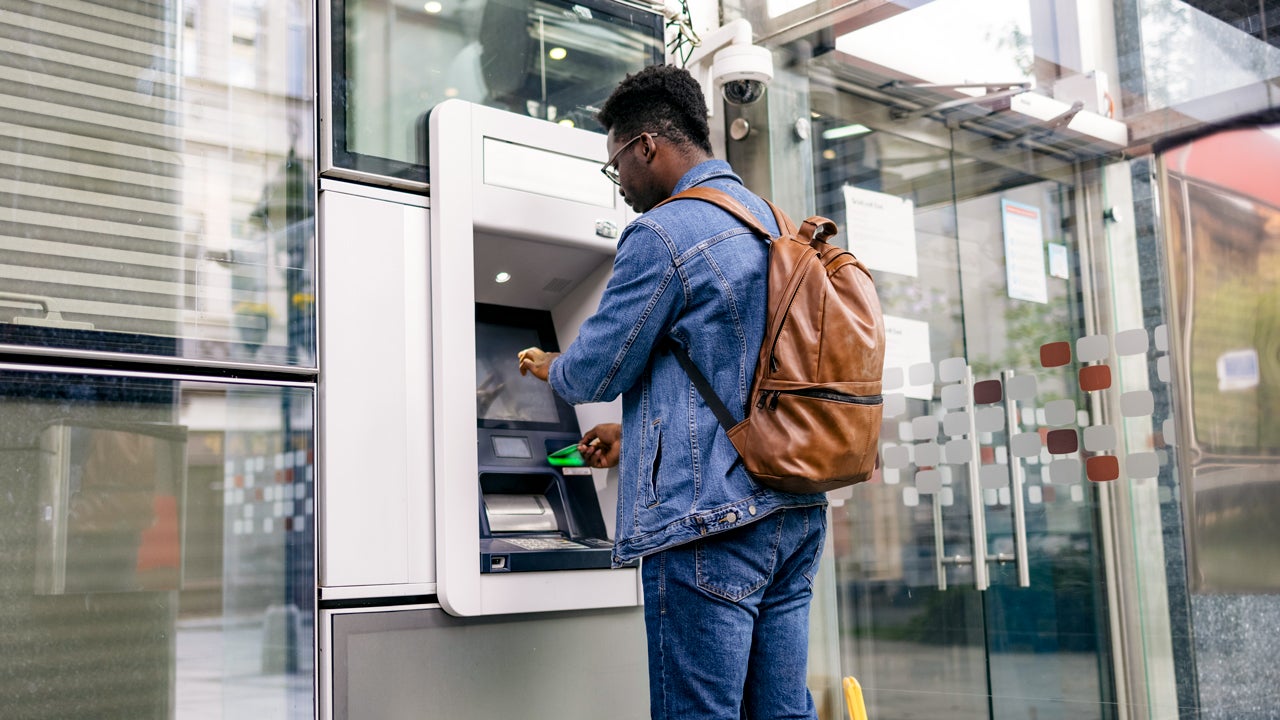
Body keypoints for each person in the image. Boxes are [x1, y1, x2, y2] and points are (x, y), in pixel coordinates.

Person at [516, 64, 828, 720]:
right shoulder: (774, 224)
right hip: (794, 512)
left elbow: (592, 374)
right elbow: (741, 380)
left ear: (646, 147)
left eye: (616, 166)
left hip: (708, 528)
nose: (621, 185)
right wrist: (637, 438)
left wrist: (547, 363)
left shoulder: (664, 233)